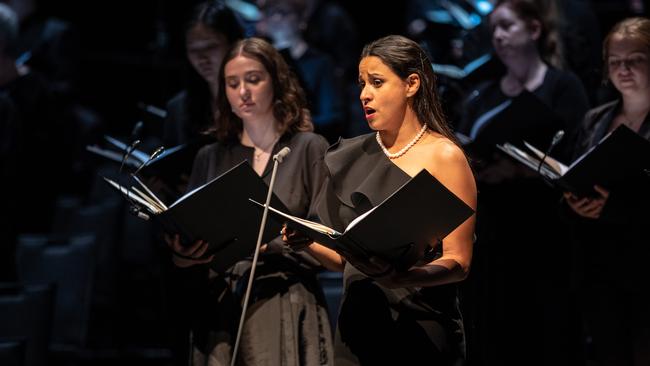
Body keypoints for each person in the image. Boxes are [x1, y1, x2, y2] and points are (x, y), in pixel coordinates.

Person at [283, 35, 477, 365]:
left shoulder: (444, 156)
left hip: (419, 328)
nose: (364, 95)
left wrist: (405, 278)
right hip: (357, 327)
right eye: (361, 84)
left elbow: (459, 261)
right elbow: (347, 261)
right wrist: (307, 243)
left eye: (377, 82)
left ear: (411, 84)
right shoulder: (348, 156)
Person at [167, 37, 334, 366]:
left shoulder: (308, 148)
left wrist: (269, 244)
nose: (243, 91)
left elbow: (329, 242)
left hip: (285, 301)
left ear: (277, 83)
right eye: (232, 83)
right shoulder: (210, 156)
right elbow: (192, 235)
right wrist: (184, 256)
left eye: (253, 80)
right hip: (220, 307)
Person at [455, 0, 590, 363]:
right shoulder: (483, 93)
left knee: (547, 332)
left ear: (534, 29)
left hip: (545, 231)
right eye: (494, 29)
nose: (498, 36)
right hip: (493, 231)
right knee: (498, 331)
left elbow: (576, 157)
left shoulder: (562, 86)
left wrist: (516, 170)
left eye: (507, 26)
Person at [563, 17, 650, 366]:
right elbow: (573, 176)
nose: (623, 69)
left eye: (635, 60)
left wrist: (615, 208)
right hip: (600, 268)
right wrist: (573, 201)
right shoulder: (595, 119)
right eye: (615, 61)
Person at [163, 0, 244, 148]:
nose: (202, 59)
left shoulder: (257, 96)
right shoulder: (178, 108)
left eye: (211, 47)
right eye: (193, 50)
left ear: (234, 44)